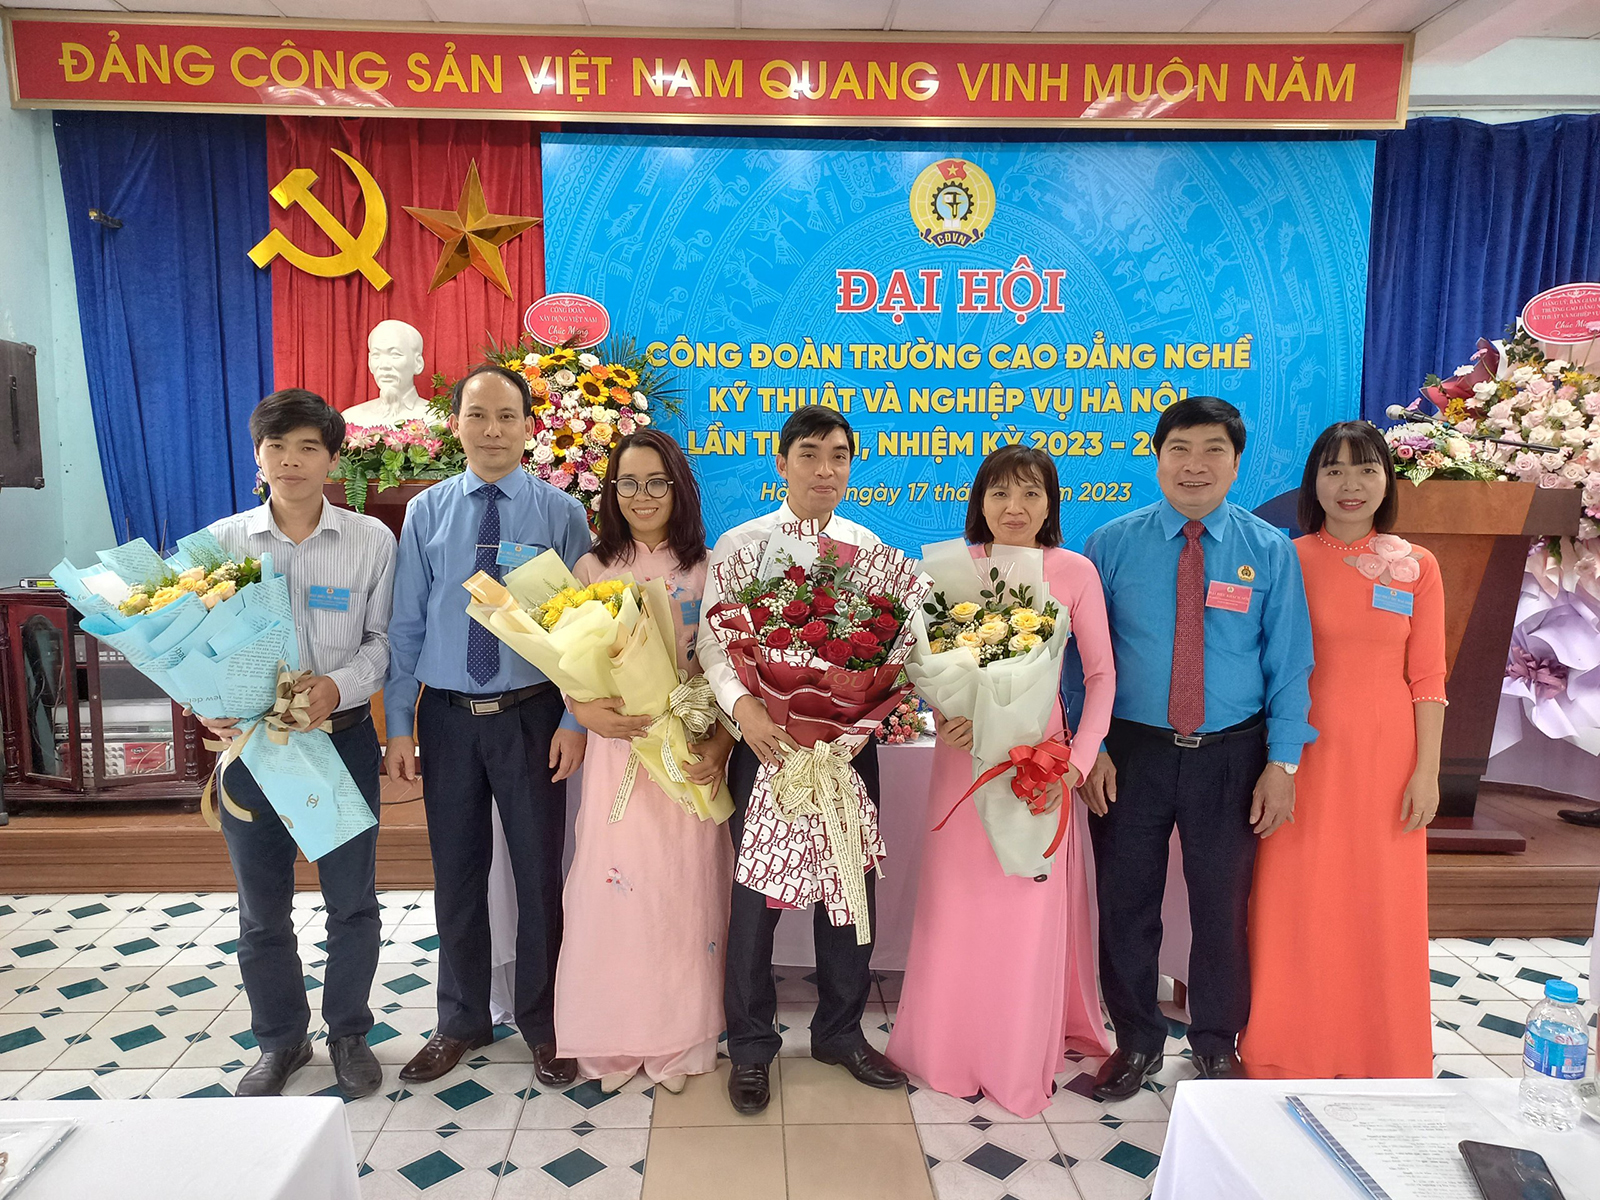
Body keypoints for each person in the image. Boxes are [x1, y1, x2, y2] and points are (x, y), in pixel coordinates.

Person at [1078, 395, 1315, 1098]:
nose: (1195, 465)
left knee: (1222, 907)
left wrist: (1282, 762)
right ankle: (1136, 1042)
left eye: (1214, 450)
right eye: (1179, 449)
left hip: (1232, 756)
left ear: (1237, 463)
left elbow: (1290, 664)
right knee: (1127, 904)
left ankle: (1215, 1042)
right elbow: (1079, 660)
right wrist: (1091, 748)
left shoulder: (1268, 550)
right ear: (1157, 458)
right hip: (1132, 753)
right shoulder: (1111, 545)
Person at [888, 445, 1115, 1117]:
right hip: (961, 765)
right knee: (957, 907)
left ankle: (1014, 1053)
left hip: (1037, 767)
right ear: (979, 502)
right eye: (1000, 493)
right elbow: (919, 665)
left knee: (1022, 908)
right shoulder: (949, 572)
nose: (1014, 507)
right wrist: (942, 713)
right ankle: (946, 1048)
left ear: (1050, 505)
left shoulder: (1074, 571)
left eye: (1030, 494)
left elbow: (1100, 676)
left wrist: (1076, 763)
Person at [383, 364, 590, 1087]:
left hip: (531, 716)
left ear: (531, 426)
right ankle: (461, 1018)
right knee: (457, 875)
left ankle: (543, 1021)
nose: (492, 430)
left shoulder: (562, 514)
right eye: (478, 415)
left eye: (507, 416)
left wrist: (574, 717)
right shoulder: (427, 512)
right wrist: (399, 726)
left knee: (538, 875)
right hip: (446, 720)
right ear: (456, 425)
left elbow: (586, 627)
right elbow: (406, 624)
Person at [699, 406, 908, 1116]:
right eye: (811, 454)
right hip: (767, 749)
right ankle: (751, 1045)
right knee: (755, 902)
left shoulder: (868, 549)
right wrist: (747, 711)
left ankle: (840, 1034)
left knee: (848, 890)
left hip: (843, 755)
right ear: (781, 462)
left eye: (839, 456)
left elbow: (890, 652)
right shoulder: (741, 545)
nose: (826, 469)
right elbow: (713, 645)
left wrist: (857, 725)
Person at [201, 389, 396, 1098]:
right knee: (262, 911)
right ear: (257, 457)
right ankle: (280, 1041)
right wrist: (206, 706)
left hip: (340, 741)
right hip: (254, 750)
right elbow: (194, 646)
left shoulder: (371, 541)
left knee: (352, 902)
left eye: (308, 446)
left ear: (333, 459)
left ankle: (348, 1033)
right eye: (276, 446)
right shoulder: (221, 544)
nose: (291, 460)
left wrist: (337, 688)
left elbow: (384, 642)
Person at [1241, 421, 1443, 1078]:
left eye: (1366, 469)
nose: (1350, 484)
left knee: (1379, 901)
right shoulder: (1285, 557)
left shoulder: (1418, 565)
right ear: (1313, 482)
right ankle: (1286, 1049)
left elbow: (1428, 677)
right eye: (1334, 470)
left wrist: (1427, 772)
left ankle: (1382, 1050)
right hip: (1299, 754)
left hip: (1387, 759)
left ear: (1387, 480)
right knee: (1295, 899)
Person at [553, 429, 736, 1094]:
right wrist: (583, 710)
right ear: (611, 492)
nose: (642, 495)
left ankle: (679, 1038)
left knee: (683, 891)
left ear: (679, 488)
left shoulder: (708, 568)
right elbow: (569, 664)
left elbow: (729, 665)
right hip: (620, 753)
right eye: (628, 482)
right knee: (613, 888)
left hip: (688, 750)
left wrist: (720, 741)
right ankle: (612, 1037)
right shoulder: (591, 569)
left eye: (657, 481)